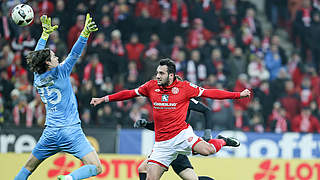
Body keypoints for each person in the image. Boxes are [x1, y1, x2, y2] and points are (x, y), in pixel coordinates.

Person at [91, 58, 251, 180]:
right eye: (157, 72)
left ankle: (222, 140)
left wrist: (238, 95)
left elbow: (211, 93)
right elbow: (129, 93)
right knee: (148, 175)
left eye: (161, 73)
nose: (157, 76)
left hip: (182, 136)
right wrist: (104, 99)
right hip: (162, 145)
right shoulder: (150, 86)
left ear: (171, 75)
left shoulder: (185, 88)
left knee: (207, 150)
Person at [15, 14, 101, 180]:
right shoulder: (61, 72)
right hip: (71, 131)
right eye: (54, 57)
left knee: (27, 168)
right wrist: (85, 34)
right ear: (48, 63)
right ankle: (68, 178)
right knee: (96, 167)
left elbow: (36, 56)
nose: (57, 58)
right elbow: (75, 53)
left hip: (50, 133)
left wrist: (44, 35)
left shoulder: (37, 78)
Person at [134, 97, 214, 180]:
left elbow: (206, 110)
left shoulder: (185, 99)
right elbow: (161, 127)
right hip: (165, 147)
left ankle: (223, 141)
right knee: (142, 169)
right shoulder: (164, 103)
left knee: (193, 179)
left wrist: (208, 132)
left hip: (177, 144)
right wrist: (145, 124)